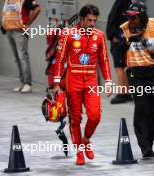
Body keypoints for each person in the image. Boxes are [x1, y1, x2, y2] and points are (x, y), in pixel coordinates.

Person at [53, 4, 112, 165]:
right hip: (74, 81)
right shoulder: (68, 34)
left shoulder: (99, 36)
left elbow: (104, 60)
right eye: (89, 20)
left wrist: (108, 81)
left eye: (94, 20)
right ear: (81, 18)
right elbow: (60, 60)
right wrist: (57, 83)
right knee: (75, 119)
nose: (92, 23)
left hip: (91, 81)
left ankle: (86, 140)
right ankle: (78, 150)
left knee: (95, 116)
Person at [120, 1, 154, 158]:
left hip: (153, 73)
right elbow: (117, 49)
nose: (131, 20)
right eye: (129, 17)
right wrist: (126, 44)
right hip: (135, 75)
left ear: (142, 15)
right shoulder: (125, 28)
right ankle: (144, 146)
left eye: (134, 17)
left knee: (152, 110)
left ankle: (149, 143)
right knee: (141, 107)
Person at [2, 0, 40, 93]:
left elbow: (37, 9)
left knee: (23, 57)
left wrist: (27, 23)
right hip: (9, 30)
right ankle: (23, 82)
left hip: (20, 31)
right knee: (17, 58)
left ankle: (28, 83)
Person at [106, 0, 133, 104]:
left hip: (119, 41)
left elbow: (125, 21)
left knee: (119, 67)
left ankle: (123, 94)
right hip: (119, 40)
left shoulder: (124, 3)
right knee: (122, 67)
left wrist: (117, 36)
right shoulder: (123, 2)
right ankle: (126, 92)